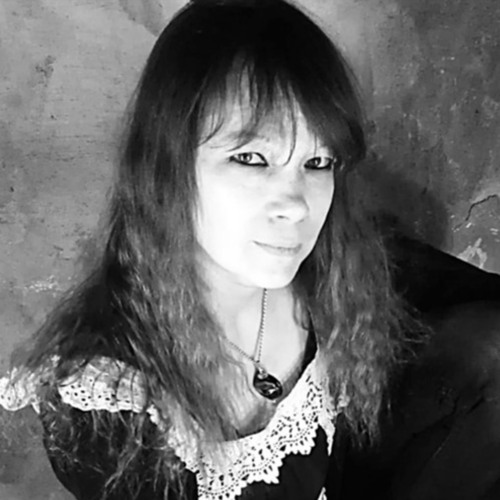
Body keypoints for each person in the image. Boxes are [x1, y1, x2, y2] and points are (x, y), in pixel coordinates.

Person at [0, 0, 408, 498]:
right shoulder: (109, 402)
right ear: (168, 168)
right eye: (251, 158)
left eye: (318, 162)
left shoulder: (331, 277)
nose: (296, 206)